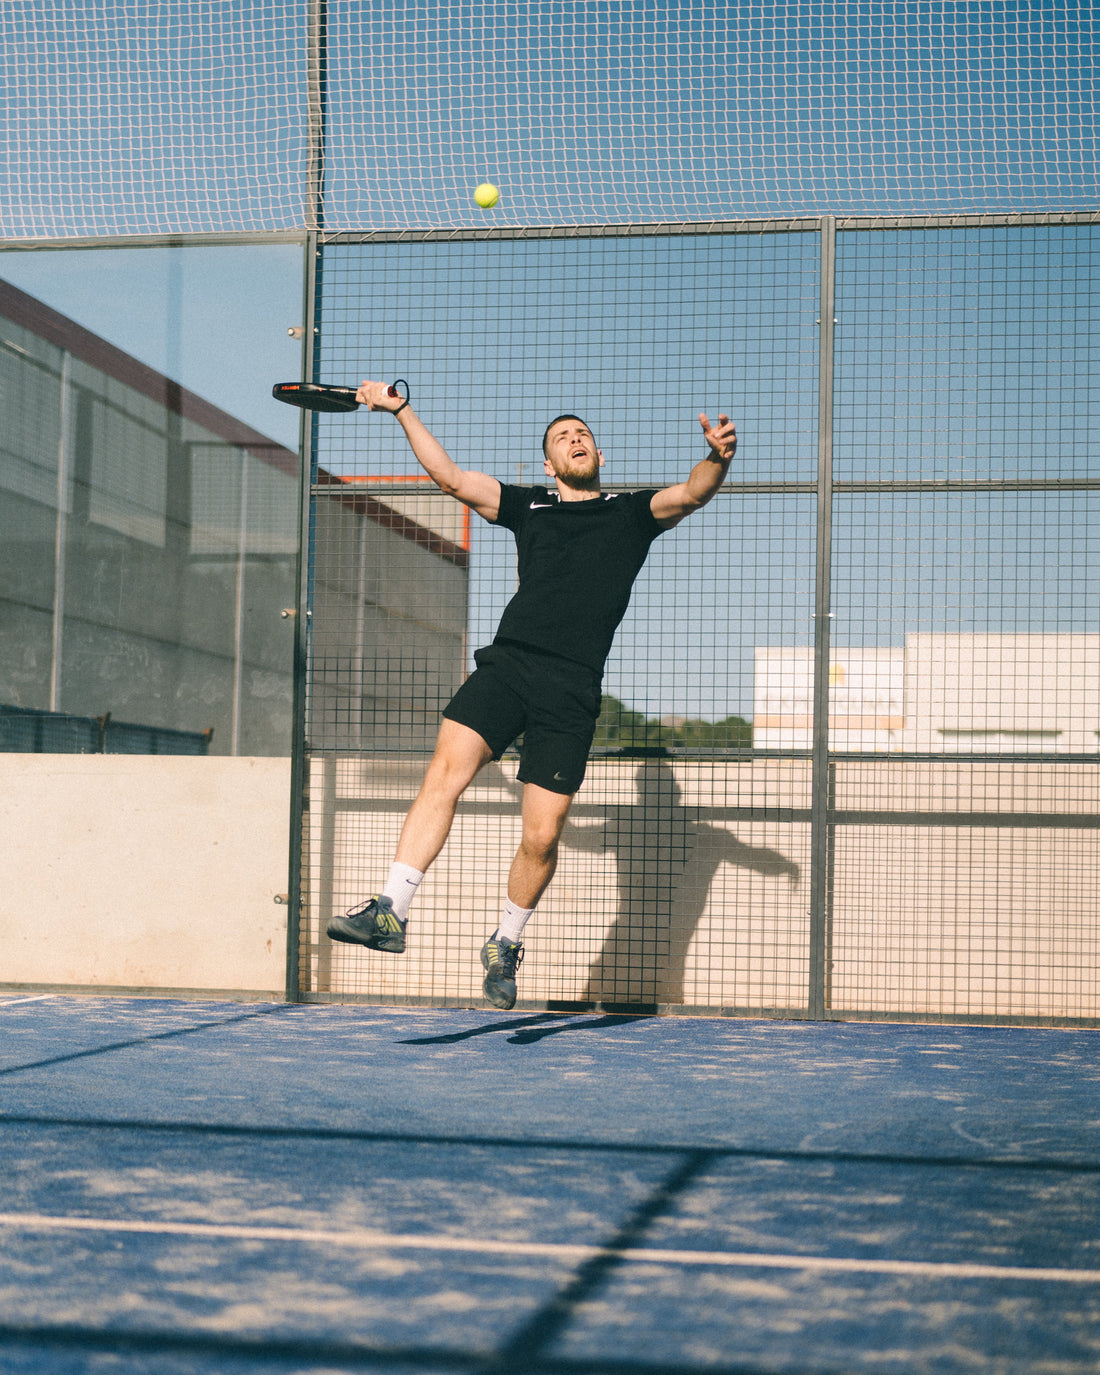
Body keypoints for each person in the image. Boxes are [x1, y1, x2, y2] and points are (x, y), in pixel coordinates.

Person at [327, 380, 737, 1010]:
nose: (576, 440)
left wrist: (717, 457)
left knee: (542, 837)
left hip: (571, 691)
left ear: (596, 454)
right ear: (549, 464)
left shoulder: (629, 513)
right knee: (443, 775)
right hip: (508, 666)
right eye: (562, 438)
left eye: (584, 434)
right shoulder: (530, 505)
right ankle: (390, 909)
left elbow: (692, 493)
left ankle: (505, 942)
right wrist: (401, 408)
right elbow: (452, 479)